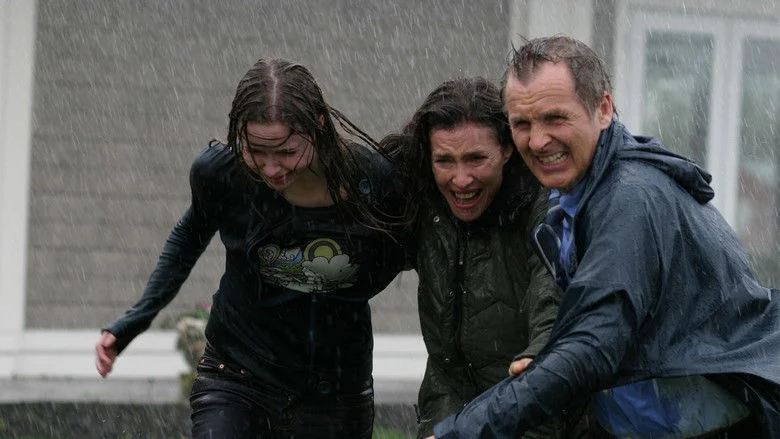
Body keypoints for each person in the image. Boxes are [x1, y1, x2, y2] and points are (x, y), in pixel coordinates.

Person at [428, 35, 780, 439]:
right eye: (522, 124)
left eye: (555, 118)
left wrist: (461, 432)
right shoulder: (578, 193)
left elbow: (593, 346)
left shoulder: (630, 199)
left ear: (604, 109)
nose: (537, 141)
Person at [95, 58, 406, 438]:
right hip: (237, 376)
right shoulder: (222, 174)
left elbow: (407, 253)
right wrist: (136, 319)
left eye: (287, 152)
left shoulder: (372, 181)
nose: (272, 169)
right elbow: (187, 239)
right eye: (256, 151)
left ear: (319, 125)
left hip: (335, 392)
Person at [381, 77, 565, 438]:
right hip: (445, 410)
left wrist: (539, 363)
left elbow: (552, 304)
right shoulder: (422, 202)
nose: (461, 180)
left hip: (529, 413)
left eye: (476, 159)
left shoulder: (543, 208)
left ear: (507, 149)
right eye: (444, 160)